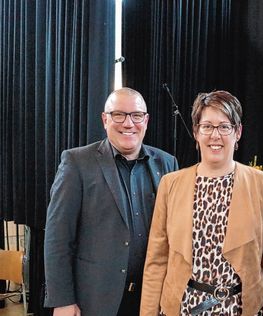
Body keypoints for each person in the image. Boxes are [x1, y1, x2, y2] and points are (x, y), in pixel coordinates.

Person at [140, 90, 263, 315]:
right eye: (207, 126)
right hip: (184, 307)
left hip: (242, 308)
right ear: (196, 132)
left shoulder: (262, 184)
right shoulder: (170, 184)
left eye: (224, 126)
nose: (216, 135)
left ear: (238, 132)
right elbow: (157, 261)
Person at [44, 87, 178, 316]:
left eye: (136, 115)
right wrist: (62, 300)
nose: (128, 123)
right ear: (105, 119)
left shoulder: (167, 164)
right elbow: (58, 238)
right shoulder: (77, 163)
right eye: (118, 115)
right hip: (96, 300)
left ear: (146, 120)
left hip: (152, 300)